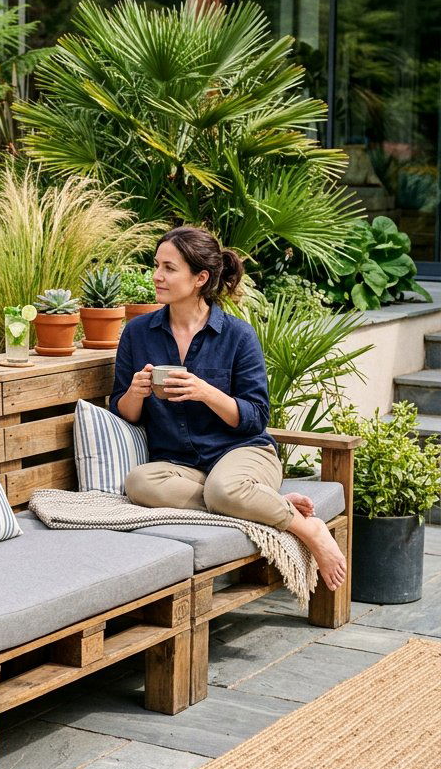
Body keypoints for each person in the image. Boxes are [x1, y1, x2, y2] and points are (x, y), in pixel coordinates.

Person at [110, 226, 347, 592]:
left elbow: (256, 417)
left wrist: (206, 392)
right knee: (138, 482)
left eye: (169, 268)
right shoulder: (137, 332)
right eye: (156, 265)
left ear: (200, 278)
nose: (157, 275)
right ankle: (258, 502)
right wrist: (136, 392)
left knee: (223, 489)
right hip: (180, 465)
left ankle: (308, 529)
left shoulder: (238, 335)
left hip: (244, 452)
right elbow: (124, 412)